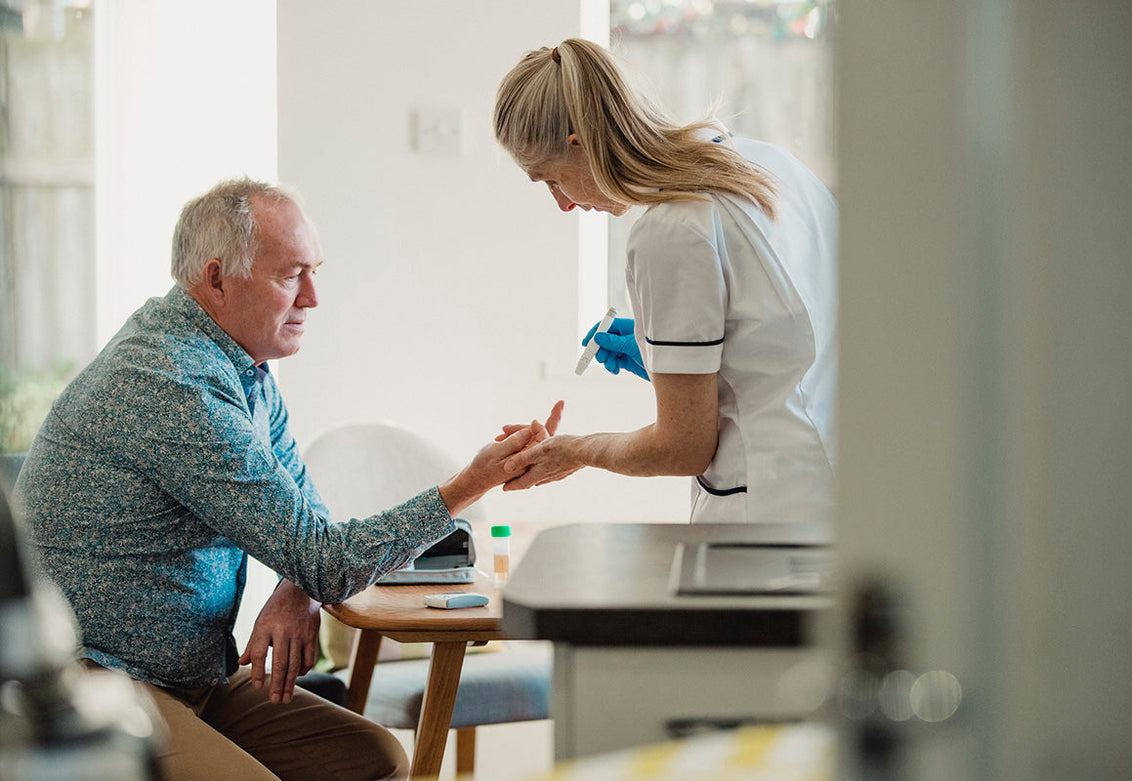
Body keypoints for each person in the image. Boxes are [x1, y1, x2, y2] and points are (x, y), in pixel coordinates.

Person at [13, 177, 540, 780]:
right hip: (102, 680)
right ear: (215, 280)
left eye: (314, 271)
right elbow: (325, 556)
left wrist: (298, 586)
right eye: (291, 275)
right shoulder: (172, 381)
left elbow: (307, 527)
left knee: (375, 762)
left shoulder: (247, 369)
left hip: (196, 676)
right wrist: (467, 486)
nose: (313, 297)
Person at [492, 38, 837, 525]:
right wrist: (669, 357)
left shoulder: (669, 229)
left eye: (550, 179)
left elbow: (681, 450)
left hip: (770, 522)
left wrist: (573, 451)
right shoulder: (771, 166)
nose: (563, 204)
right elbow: (786, 341)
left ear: (581, 145)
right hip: (841, 493)